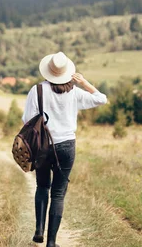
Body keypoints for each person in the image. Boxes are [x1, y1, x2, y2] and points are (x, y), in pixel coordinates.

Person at [22, 51, 108, 247]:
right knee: (58, 193)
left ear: (48, 71)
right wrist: (84, 82)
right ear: (68, 73)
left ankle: (39, 230)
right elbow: (101, 98)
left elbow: (27, 121)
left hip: (43, 146)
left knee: (42, 186)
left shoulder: (37, 90)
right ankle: (51, 243)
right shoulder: (74, 93)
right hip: (66, 146)